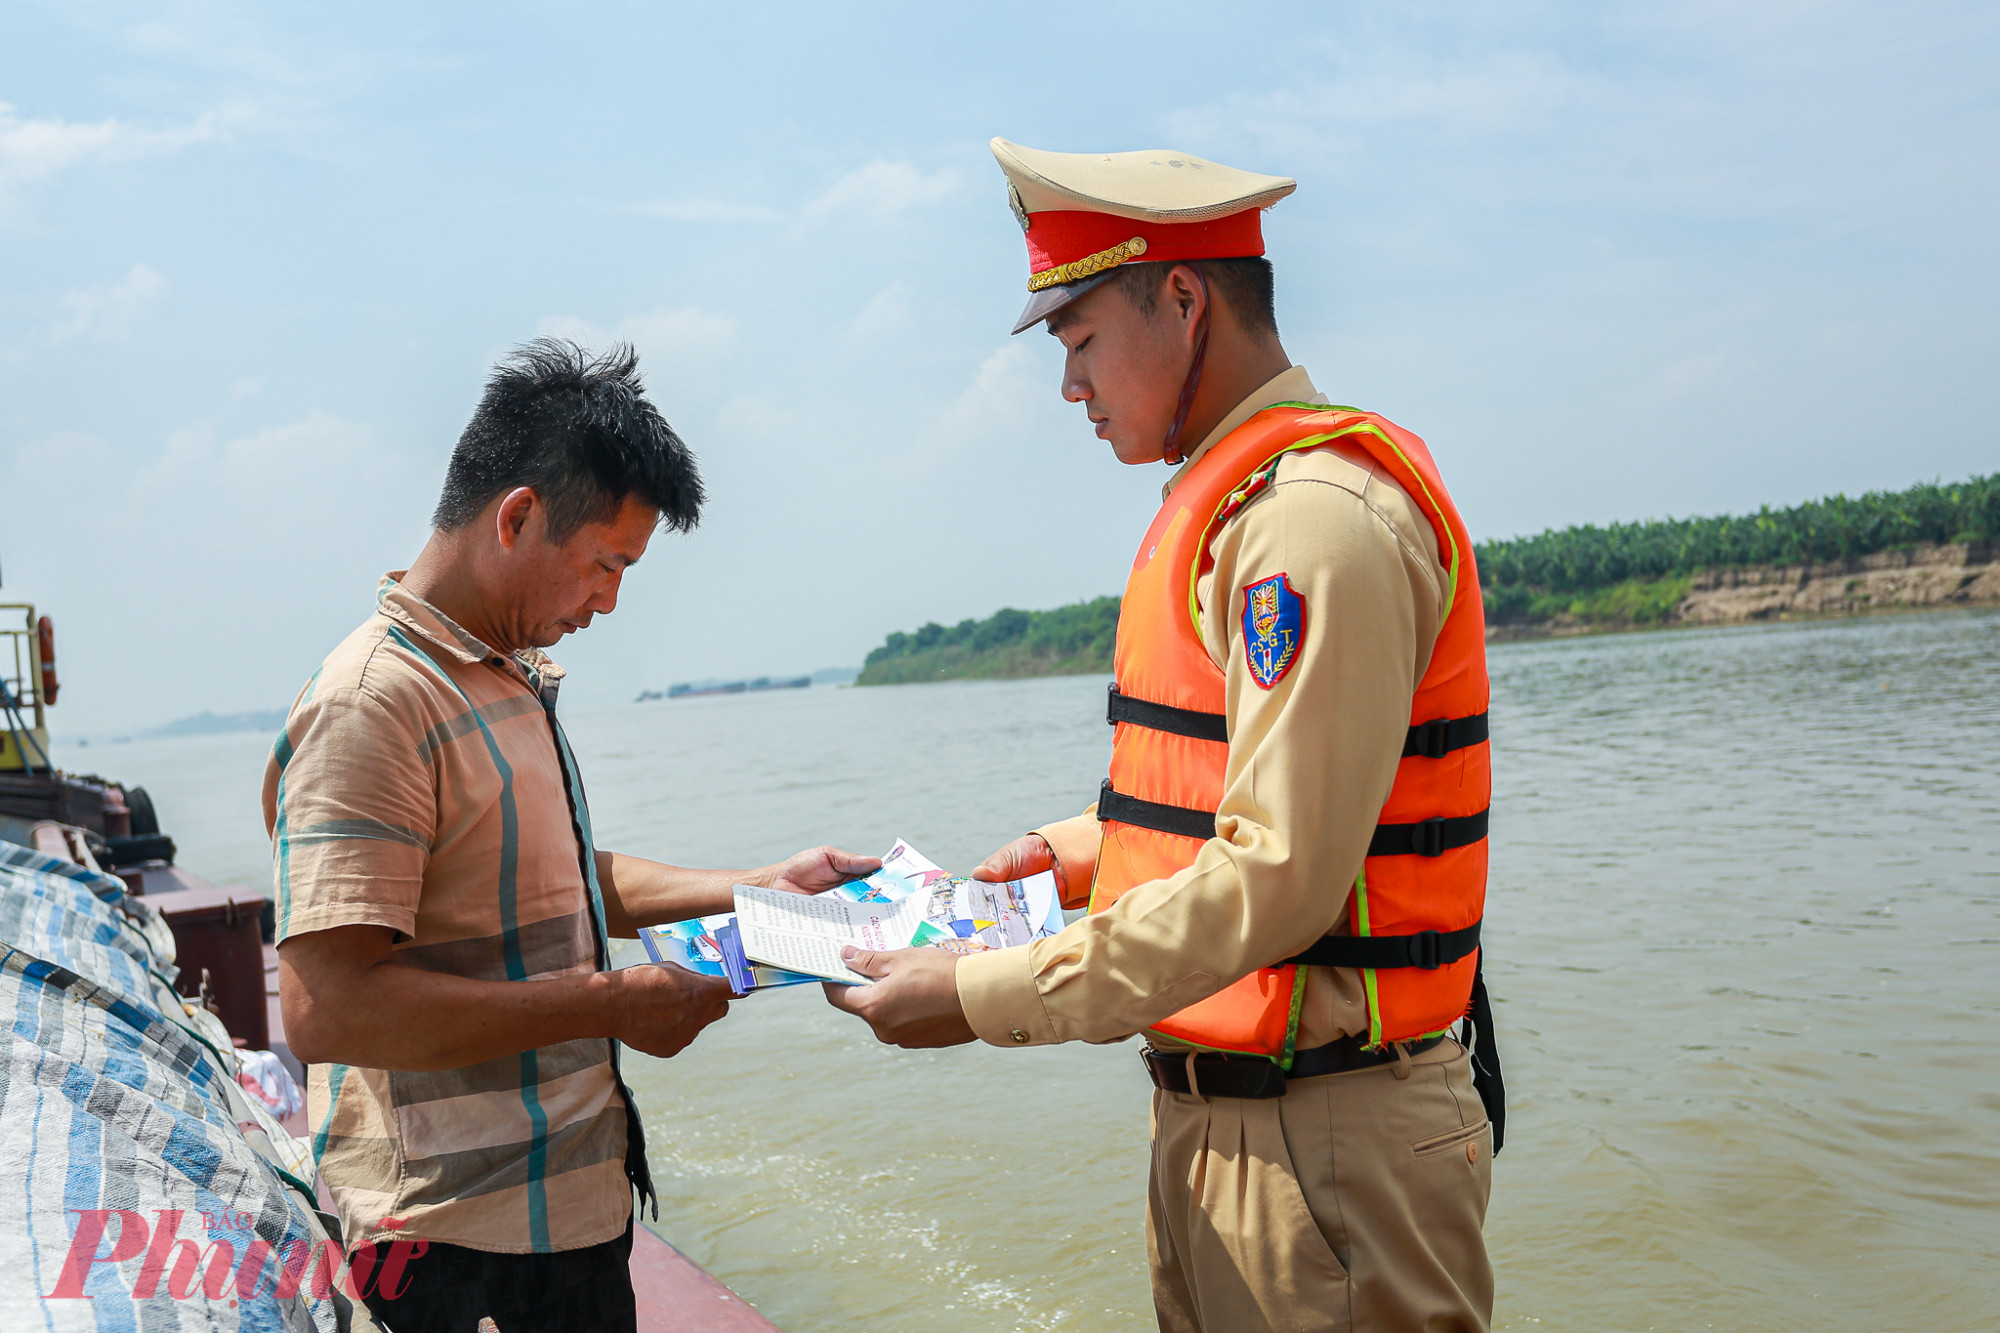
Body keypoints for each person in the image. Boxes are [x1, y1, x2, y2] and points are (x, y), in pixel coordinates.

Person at [825, 141, 1503, 1333]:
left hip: (1327, 1139)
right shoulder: (1239, 508)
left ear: (1182, 300)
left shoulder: (1312, 525)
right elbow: (1219, 800)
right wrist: (1066, 852)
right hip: (1222, 1124)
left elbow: (1278, 876)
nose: (1068, 388)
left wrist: (980, 994)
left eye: (1079, 341)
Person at [267, 338, 879, 1333]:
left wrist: (760, 887)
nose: (607, 599)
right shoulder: (375, 703)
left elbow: (554, 880)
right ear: (515, 517)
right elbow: (330, 1007)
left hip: (569, 1205)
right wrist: (612, 1001)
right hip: (455, 1242)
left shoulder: (501, 676)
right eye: (605, 563)